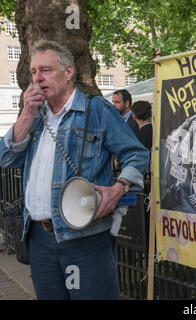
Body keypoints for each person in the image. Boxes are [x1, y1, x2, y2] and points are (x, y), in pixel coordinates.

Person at [0, 40, 149, 300]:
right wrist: (25, 114)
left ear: (68, 72)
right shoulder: (34, 117)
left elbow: (136, 153)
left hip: (85, 240)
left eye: (45, 70)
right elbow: (6, 158)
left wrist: (119, 187)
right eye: (33, 72)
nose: (37, 78)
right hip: (39, 238)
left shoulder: (96, 110)